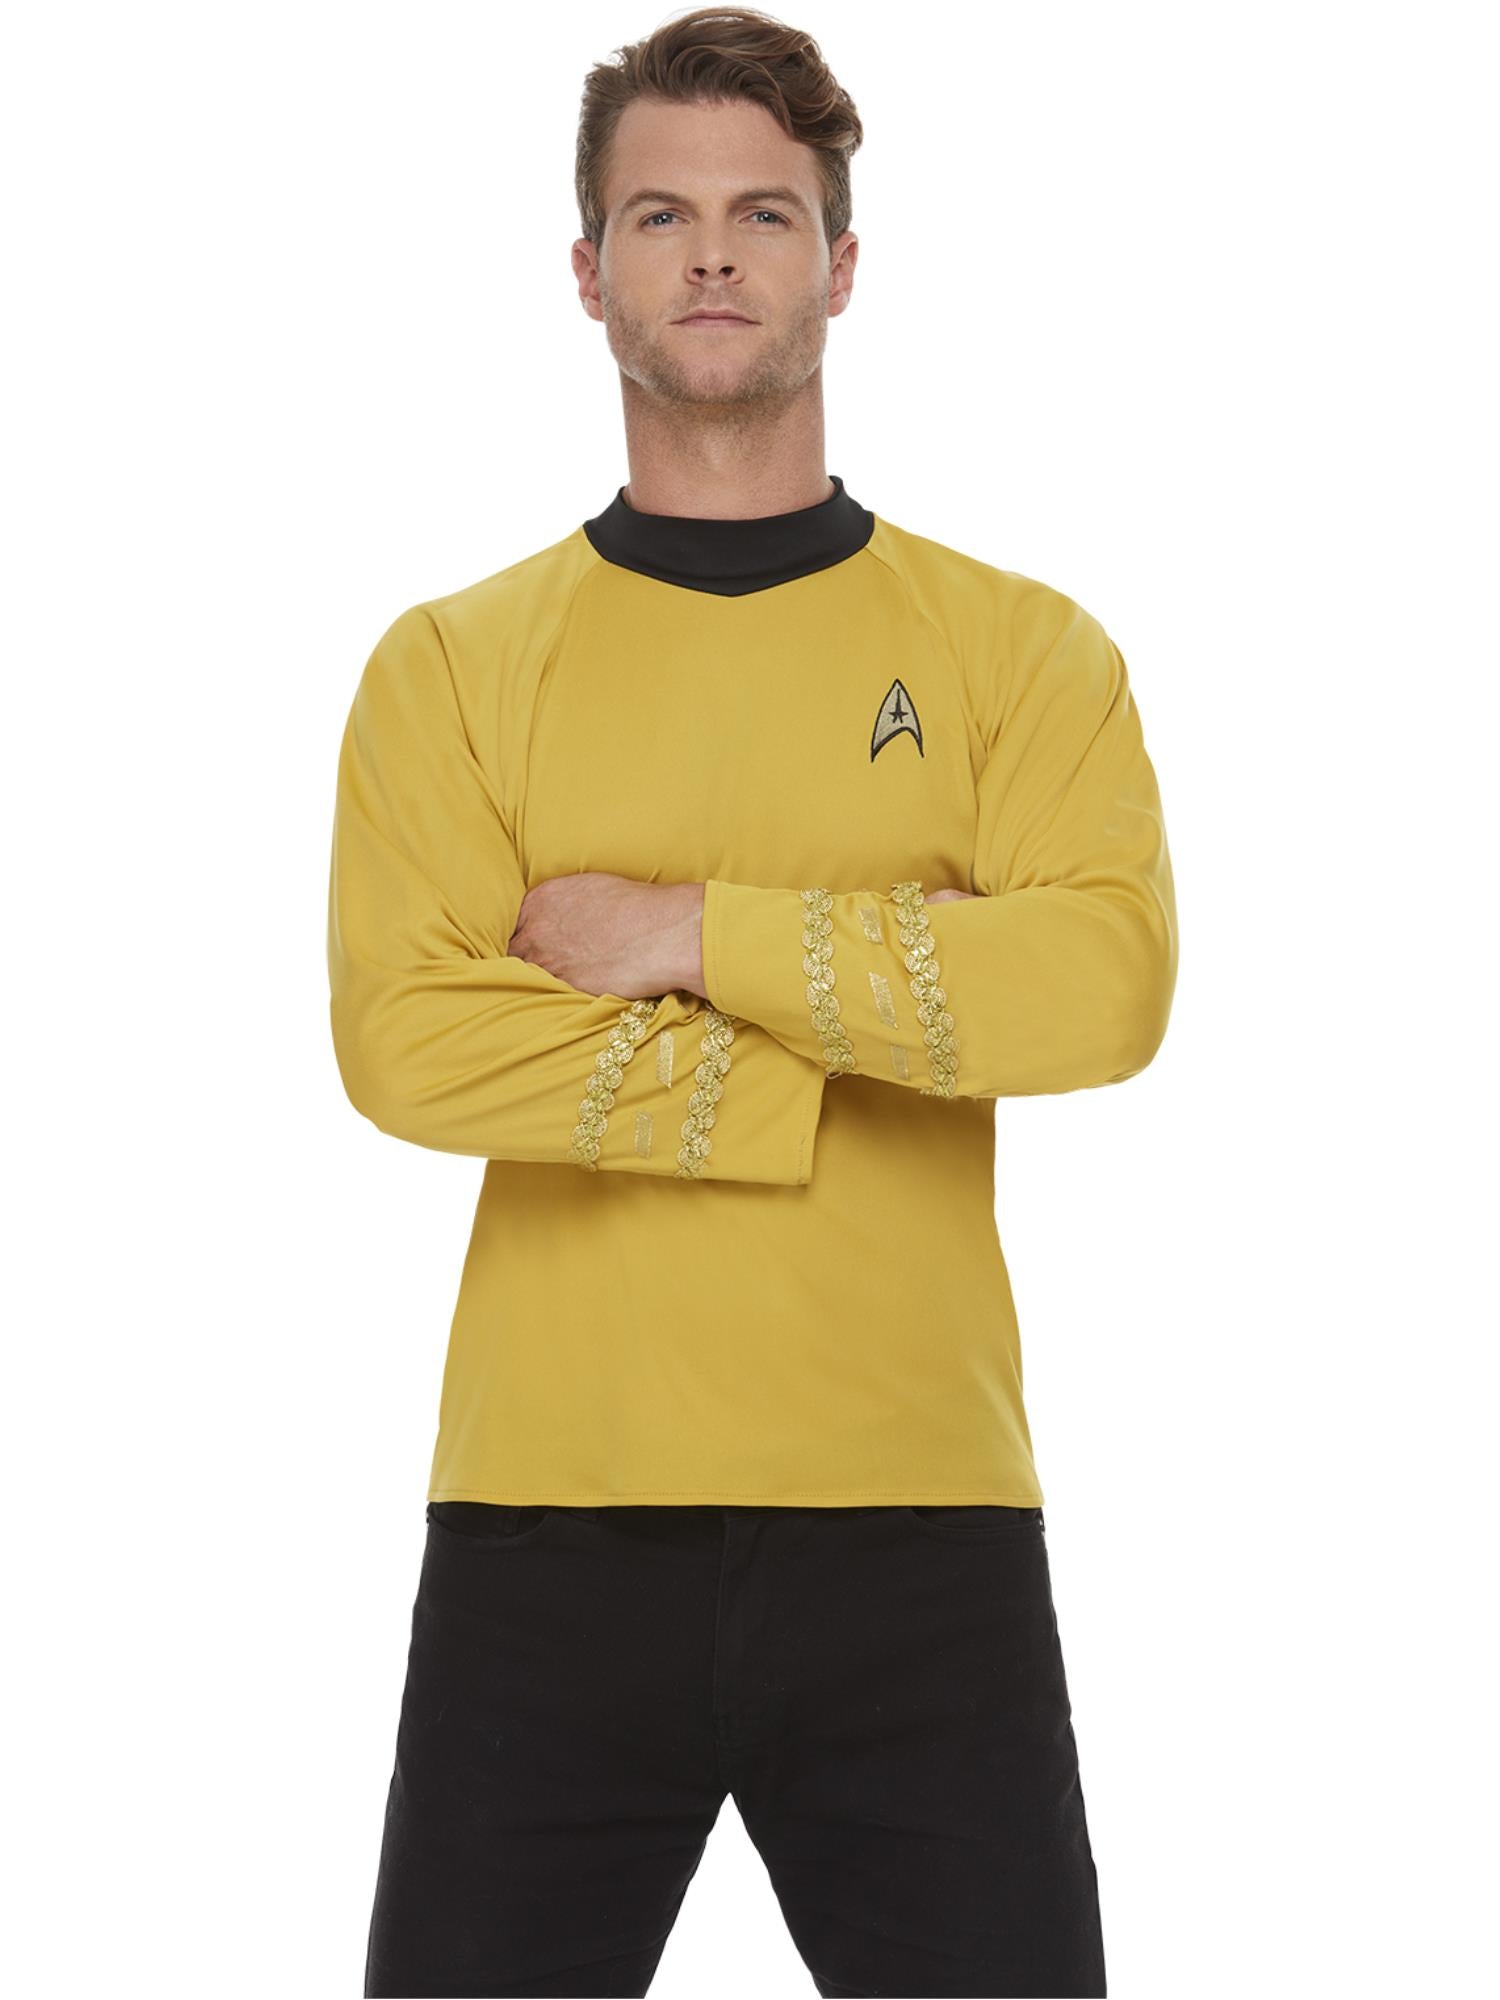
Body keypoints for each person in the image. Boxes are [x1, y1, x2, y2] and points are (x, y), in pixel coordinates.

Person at [327, 8, 1177, 1995]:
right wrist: (846, 1054)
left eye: (763, 215)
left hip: (919, 1518)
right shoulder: (449, 667)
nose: (712, 255)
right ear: (587, 270)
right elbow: (408, 1037)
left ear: (841, 265)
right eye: (661, 215)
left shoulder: (1022, 652)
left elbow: (1104, 984)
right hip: (549, 1517)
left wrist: (687, 931)